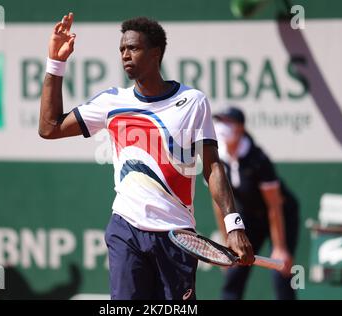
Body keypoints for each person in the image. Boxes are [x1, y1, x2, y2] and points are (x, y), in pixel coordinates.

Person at [39, 12, 254, 300]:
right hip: (126, 228)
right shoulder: (112, 102)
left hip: (177, 236)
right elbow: (49, 128)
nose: (125, 55)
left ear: (156, 54)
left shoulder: (193, 102)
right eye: (122, 49)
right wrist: (56, 62)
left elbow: (213, 168)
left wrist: (233, 225)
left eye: (134, 48)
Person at [212, 106, 300, 300]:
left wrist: (280, 247)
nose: (221, 127)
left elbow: (274, 206)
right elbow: (218, 203)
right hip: (248, 218)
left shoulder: (258, 159)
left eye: (228, 122)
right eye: (220, 122)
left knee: (281, 271)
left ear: (240, 128)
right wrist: (226, 239)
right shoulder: (217, 159)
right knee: (234, 271)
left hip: (280, 216)